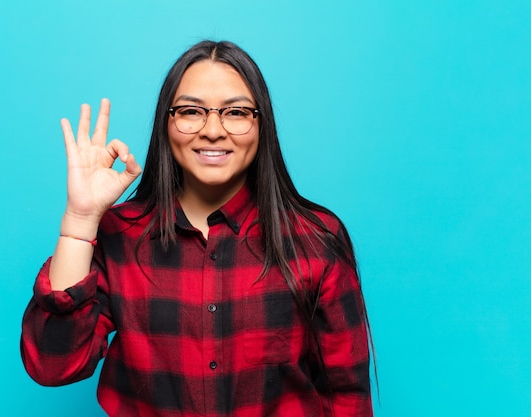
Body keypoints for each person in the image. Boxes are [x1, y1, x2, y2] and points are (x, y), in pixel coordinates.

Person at [21, 40, 373, 416]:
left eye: (236, 112)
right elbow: (52, 366)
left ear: (261, 123)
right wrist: (80, 220)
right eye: (191, 111)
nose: (213, 130)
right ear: (166, 124)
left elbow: (347, 394)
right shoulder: (120, 234)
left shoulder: (315, 238)